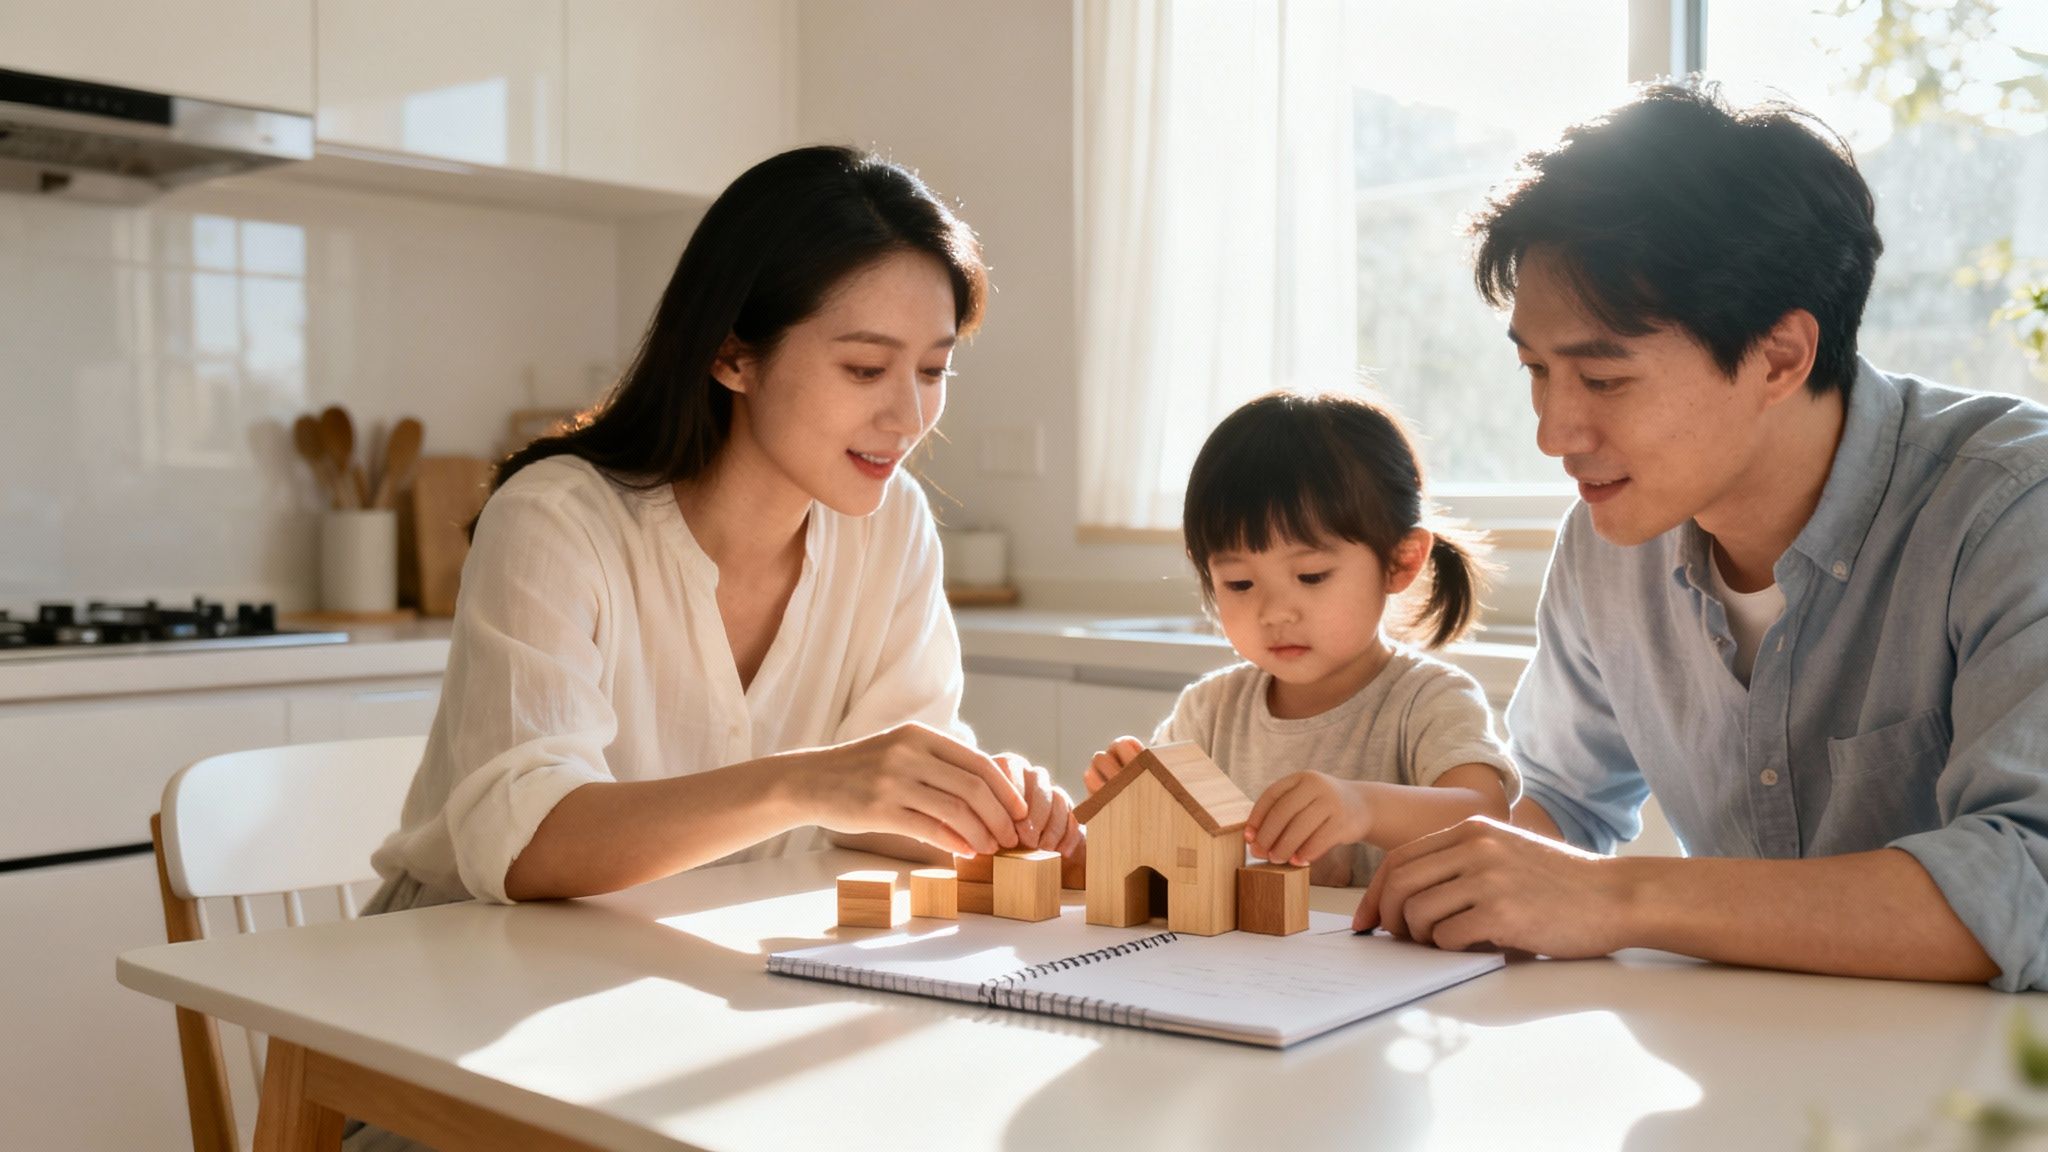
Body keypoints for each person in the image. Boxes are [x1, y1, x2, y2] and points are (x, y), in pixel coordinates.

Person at [1354, 81, 2048, 992]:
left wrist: (1622, 899)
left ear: (1779, 356)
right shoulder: (1606, 543)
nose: (1554, 433)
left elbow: (2027, 883)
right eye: (1535, 369)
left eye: (1602, 379)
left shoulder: (2010, 509)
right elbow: (1558, 810)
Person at [363, 146, 1081, 916]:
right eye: (867, 369)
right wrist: (807, 781)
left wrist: (984, 809)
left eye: (933, 371)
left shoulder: (892, 523)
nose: (908, 419)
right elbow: (525, 839)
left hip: (679, 961)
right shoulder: (556, 521)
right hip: (448, 972)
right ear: (733, 354)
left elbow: (883, 804)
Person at [1083, 391, 1518, 886]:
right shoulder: (1209, 711)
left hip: (1389, 960)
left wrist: (1364, 807)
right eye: (1239, 584)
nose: (1274, 613)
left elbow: (1486, 817)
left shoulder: (1428, 699)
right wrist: (1132, 799)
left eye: (1311, 576)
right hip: (1234, 962)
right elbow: (1158, 862)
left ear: (1401, 561)